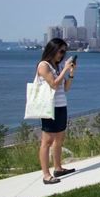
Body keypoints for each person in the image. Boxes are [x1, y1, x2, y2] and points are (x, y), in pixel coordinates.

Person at [36, 38, 76, 185]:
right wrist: (65, 69)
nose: (62, 55)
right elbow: (53, 84)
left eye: (64, 52)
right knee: (47, 141)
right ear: (53, 50)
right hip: (49, 107)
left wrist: (71, 73)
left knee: (59, 139)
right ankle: (46, 175)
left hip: (60, 106)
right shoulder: (44, 66)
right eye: (61, 51)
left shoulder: (57, 66)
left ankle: (58, 168)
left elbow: (65, 88)